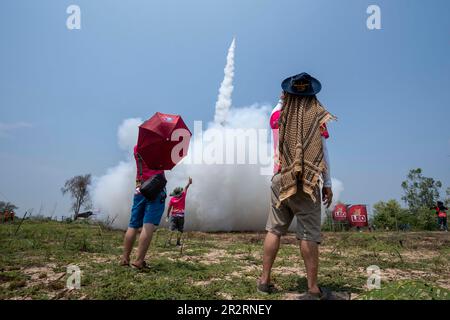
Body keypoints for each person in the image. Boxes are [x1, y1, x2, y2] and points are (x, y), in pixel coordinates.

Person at [258, 73, 336, 299]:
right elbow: (322, 152)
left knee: (274, 230)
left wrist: (282, 98)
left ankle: (264, 280)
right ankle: (312, 289)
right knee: (309, 234)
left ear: (286, 93)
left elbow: (280, 108)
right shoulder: (315, 116)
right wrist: (327, 182)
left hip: (279, 177)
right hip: (305, 181)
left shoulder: (276, 113)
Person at [120, 145, 167, 269]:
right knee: (148, 224)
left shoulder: (136, 148)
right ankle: (139, 261)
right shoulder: (159, 148)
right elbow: (167, 164)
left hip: (139, 189)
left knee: (133, 225)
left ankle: (125, 259)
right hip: (155, 189)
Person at [166, 177, 192, 246]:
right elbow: (186, 188)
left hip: (174, 216)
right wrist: (189, 183)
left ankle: (168, 242)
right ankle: (178, 243)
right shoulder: (183, 196)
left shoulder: (172, 199)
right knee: (180, 230)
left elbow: (169, 208)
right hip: (181, 216)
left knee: (171, 228)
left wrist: (167, 215)